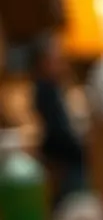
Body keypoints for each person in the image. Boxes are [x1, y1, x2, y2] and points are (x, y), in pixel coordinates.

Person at [30, 36, 88, 208]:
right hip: (64, 162)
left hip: (68, 158)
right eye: (56, 59)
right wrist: (81, 149)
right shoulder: (45, 90)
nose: (61, 64)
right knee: (73, 204)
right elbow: (57, 131)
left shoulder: (55, 87)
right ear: (43, 62)